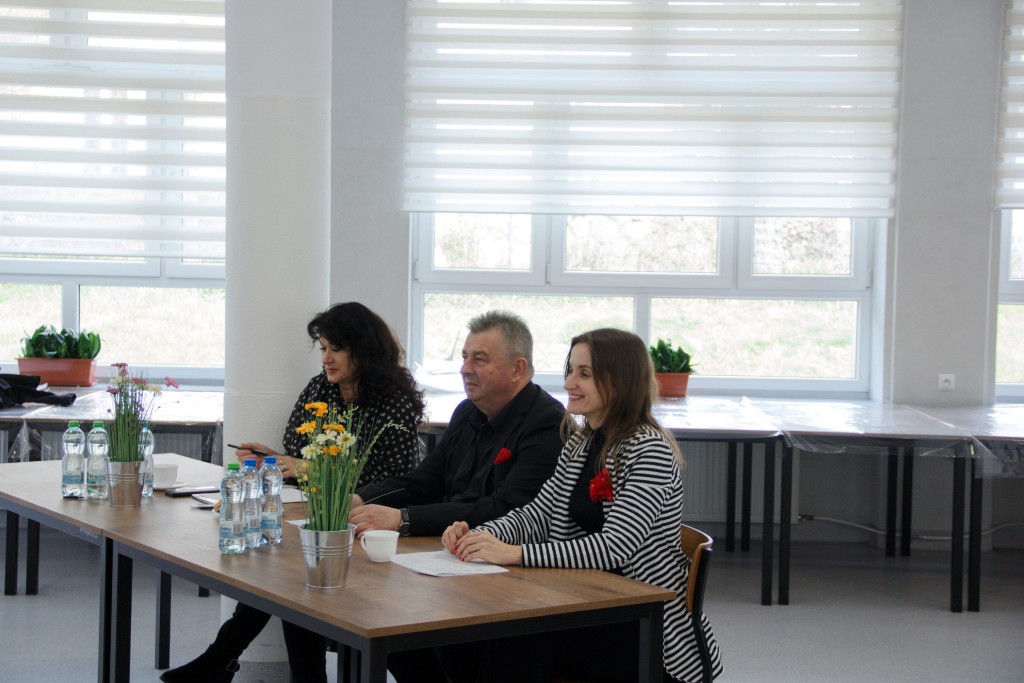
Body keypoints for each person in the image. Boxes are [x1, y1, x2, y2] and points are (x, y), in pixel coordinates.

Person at [284, 309, 564, 683]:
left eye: (479, 359)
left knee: (383, 611)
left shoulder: (546, 422)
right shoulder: (467, 413)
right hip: (447, 554)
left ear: (518, 369)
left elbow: (502, 508)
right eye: (464, 357)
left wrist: (402, 519)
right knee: (311, 589)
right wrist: (361, 498)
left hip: (504, 575)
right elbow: (422, 481)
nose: (465, 369)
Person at [440, 328, 724, 683]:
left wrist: (516, 554)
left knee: (513, 638)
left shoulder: (650, 450)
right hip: (587, 602)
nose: (568, 383)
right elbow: (538, 515)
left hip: (641, 624)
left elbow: (614, 547)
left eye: (584, 374)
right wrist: (479, 536)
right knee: (456, 635)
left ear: (619, 382)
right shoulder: (581, 441)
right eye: (570, 370)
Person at [161, 302, 425, 683]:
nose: (326, 359)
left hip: (373, 524)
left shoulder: (392, 401)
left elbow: (391, 481)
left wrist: (303, 467)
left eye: (336, 349)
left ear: (363, 350)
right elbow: (298, 448)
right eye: (323, 348)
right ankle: (231, 663)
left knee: (294, 573)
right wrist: (273, 461)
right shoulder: (322, 387)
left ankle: (221, 661)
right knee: (283, 569)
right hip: (322, 515)